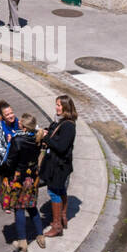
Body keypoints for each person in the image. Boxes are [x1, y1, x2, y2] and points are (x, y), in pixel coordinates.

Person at [0, 112, 45, 251]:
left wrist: (3, 171)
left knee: (19, 209)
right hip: (32, 178)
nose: (18, 124)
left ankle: (22, 241)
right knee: (32, 206)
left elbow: (10, 162)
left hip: (19, 178)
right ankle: (40, 235)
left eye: (20, 124)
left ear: (24, 128)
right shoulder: (38, 138)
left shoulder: (17, 140)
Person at [39, 95, 77, 237]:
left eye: (59, 105)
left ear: (66, 107)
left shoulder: (68, 126)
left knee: (54, 192)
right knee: (60, 190)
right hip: (59, 165)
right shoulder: (61, 122)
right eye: (56, 104)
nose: (56, 107)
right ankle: (62, 218)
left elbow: (61, 147)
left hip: (59, 166)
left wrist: (46, 138)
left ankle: (57, 226)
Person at [0, 100, 21, 167]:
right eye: (7, 115)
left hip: (19, 159)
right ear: (2, 116)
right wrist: (11, 158)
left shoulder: (18, 122)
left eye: (11, 113)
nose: (11, 116)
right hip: (6, 160)